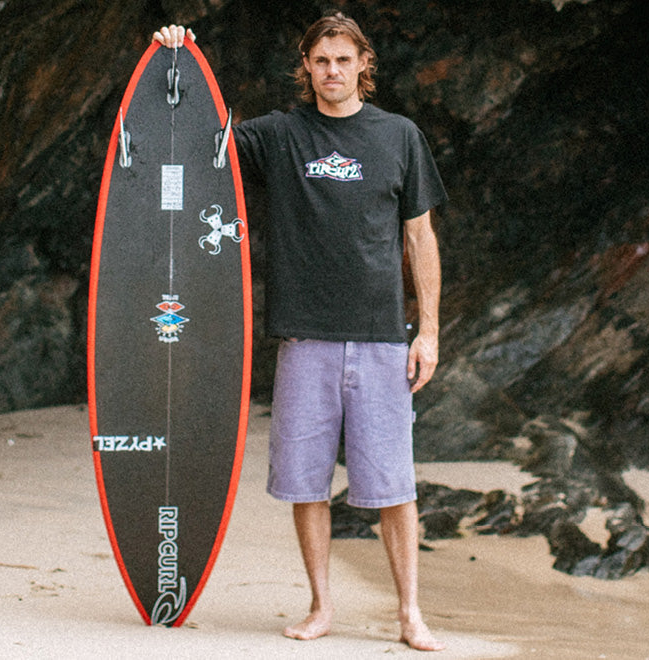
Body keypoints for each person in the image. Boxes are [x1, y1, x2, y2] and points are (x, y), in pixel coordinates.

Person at [154, 13, 447, 652]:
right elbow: (203, 133)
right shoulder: (282, 135)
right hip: (304, 340)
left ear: (363, 64)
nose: (332, 71)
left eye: (343, 60)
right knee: (305, 483)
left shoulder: (399, 136)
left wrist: (427, 332)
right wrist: (176, 62)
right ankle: (321, 607)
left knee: (393, 489)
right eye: (321, 61)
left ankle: (410, 614)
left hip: (380, 339)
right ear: (307, 66)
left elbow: (419, 236)